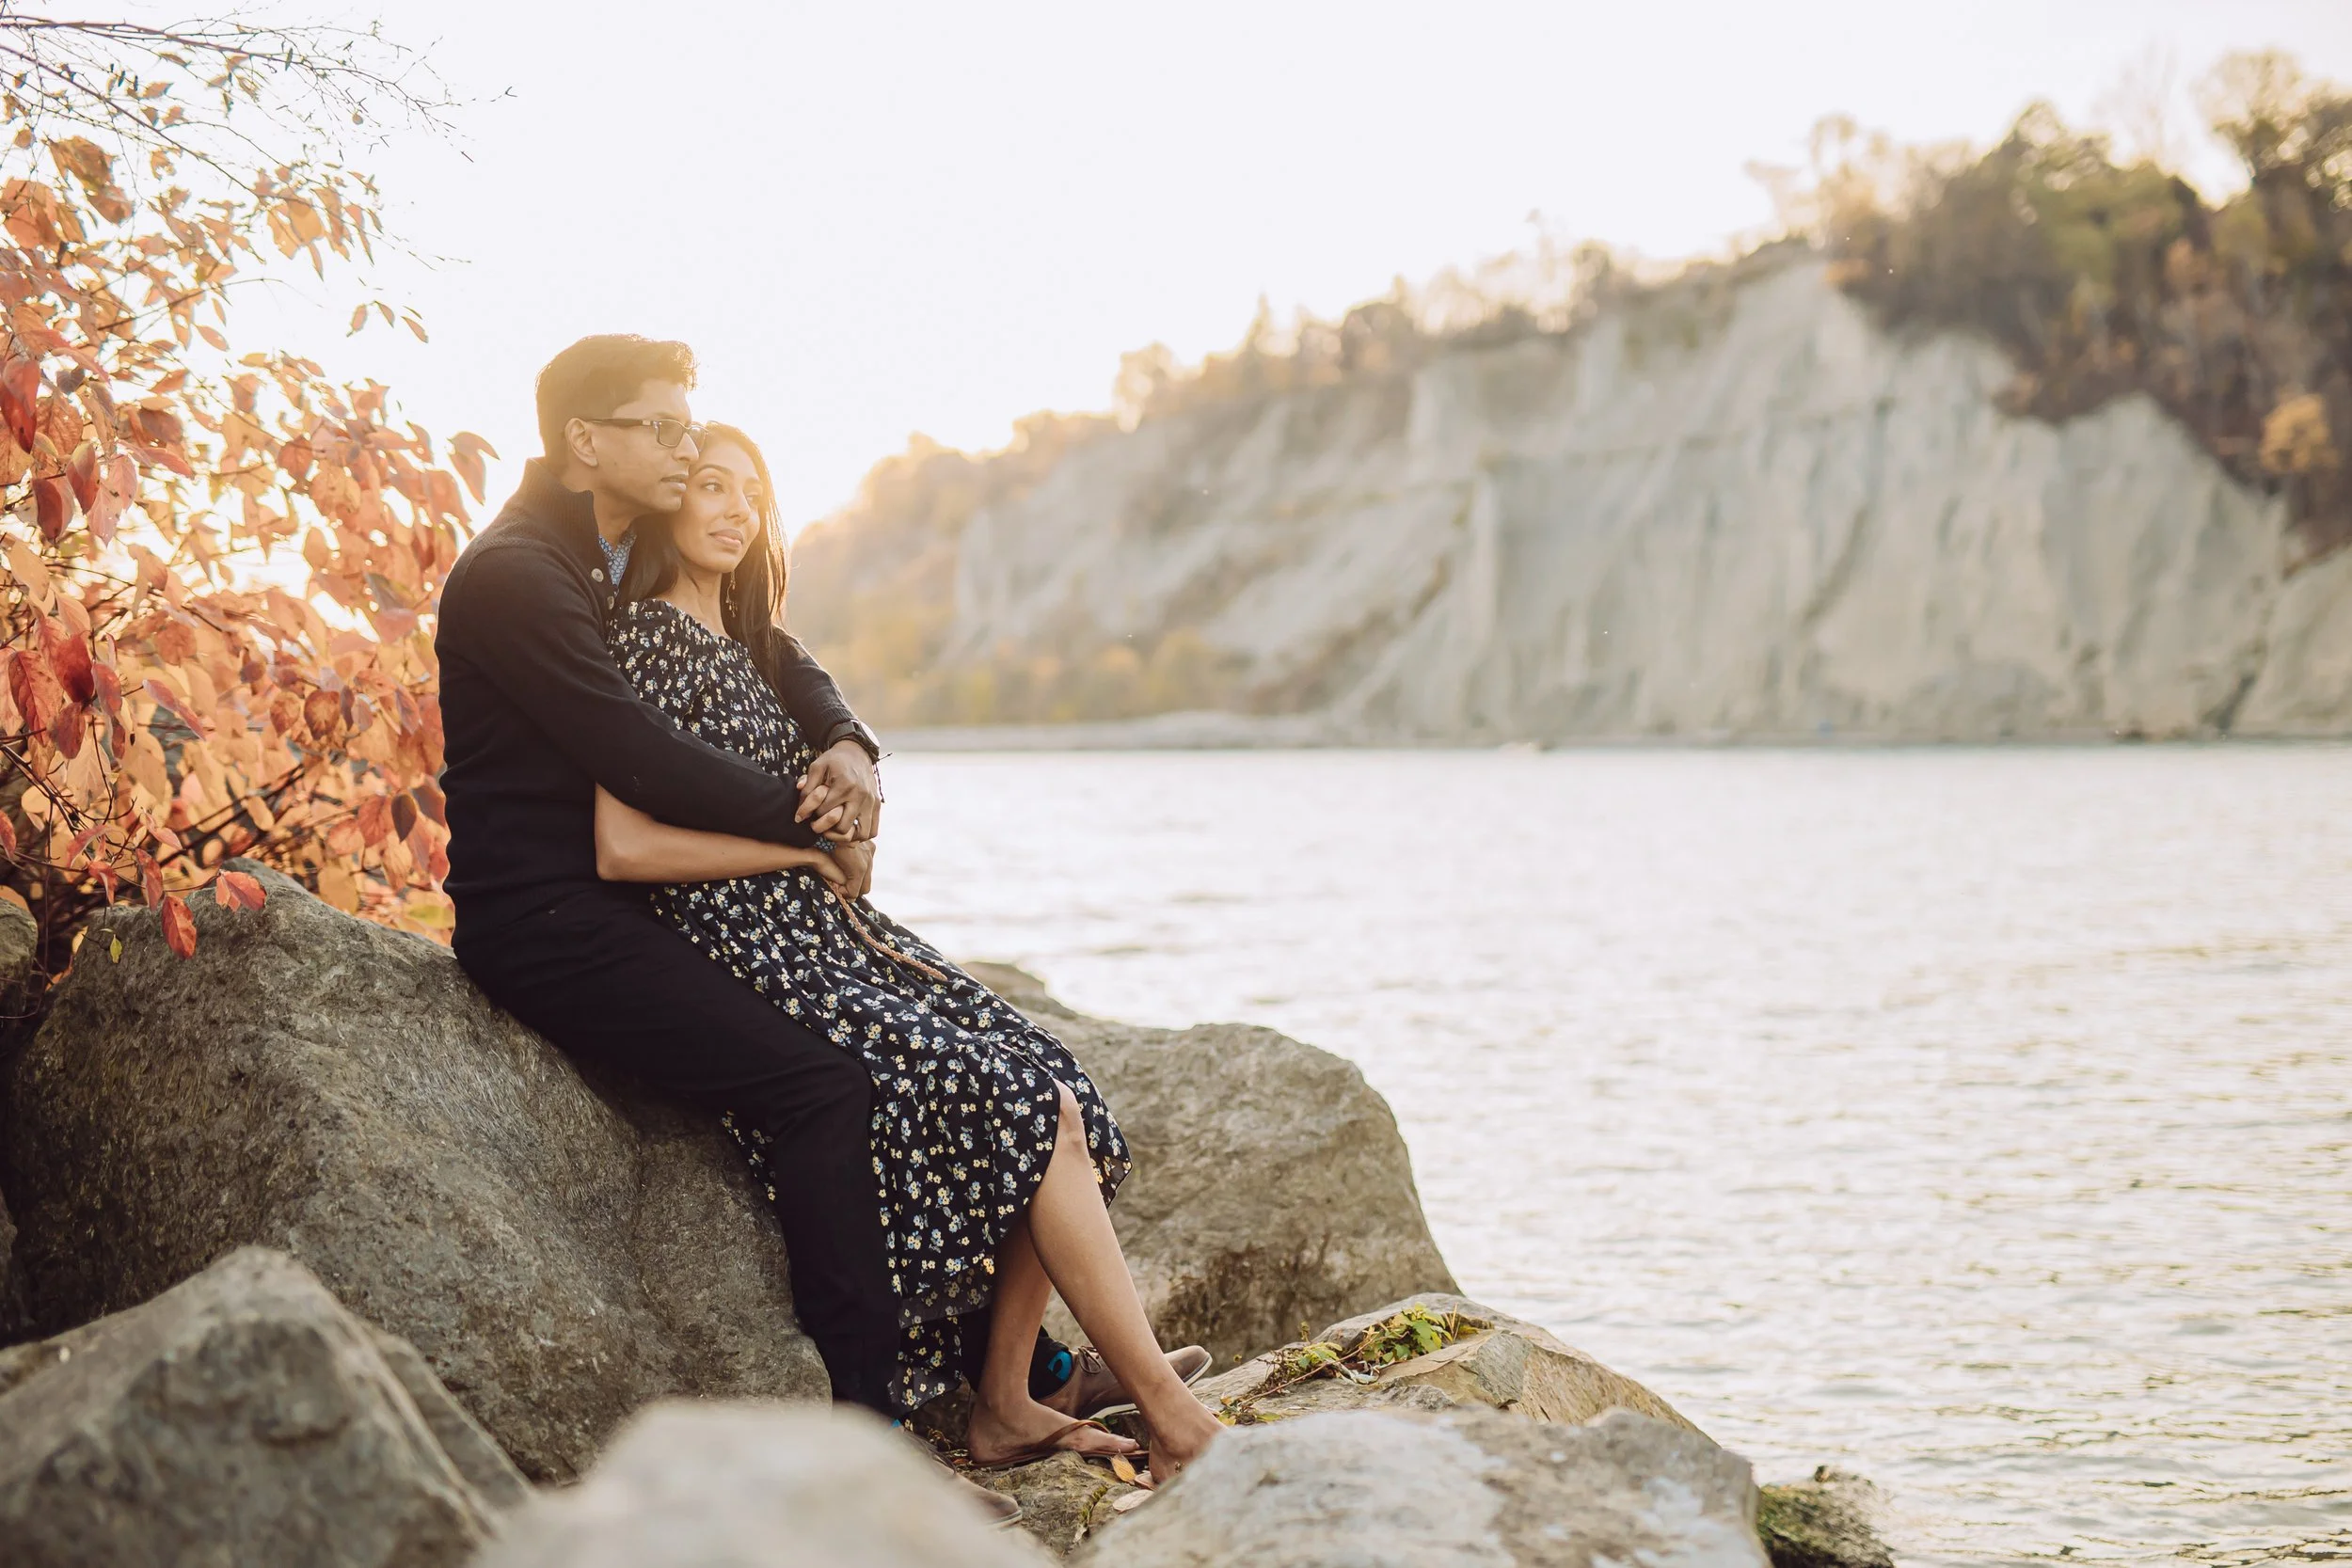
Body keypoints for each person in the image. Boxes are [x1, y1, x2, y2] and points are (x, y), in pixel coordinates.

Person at [434, 337, 1180, 1459]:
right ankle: (877, 1433)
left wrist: (853, 746)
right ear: (587, 443)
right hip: (551, 916)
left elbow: (772, 642)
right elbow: (630, 762)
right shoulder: (523, 573)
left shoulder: (611, 541)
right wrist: (813, 833)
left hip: (653, 898)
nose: (690, 457)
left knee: (1014, 1082)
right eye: (668, 433)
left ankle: (1031, 1373)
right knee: (823, 1086)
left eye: (703, 439)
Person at [588, 420, 1225, 1478]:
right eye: (707, 484)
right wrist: (793, 851)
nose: (734, 505)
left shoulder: (757, 646)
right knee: (1020, 1106)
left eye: (752, 486)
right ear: (665, 503)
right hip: (751, 945)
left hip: (831, 931)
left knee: (1062, 1093)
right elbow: (622, 843)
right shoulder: (645, 639)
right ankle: (1168, 1410)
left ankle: (1010, 1399)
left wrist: (848, 802)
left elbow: (838, 752)